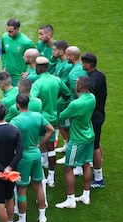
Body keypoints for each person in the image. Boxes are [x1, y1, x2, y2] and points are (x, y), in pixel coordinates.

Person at [10, 94, 54, 222]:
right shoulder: (37, 116)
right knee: (38, 185)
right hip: (36, 154)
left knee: (21, 189)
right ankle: (42, 217)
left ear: (17, 104)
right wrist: (40, 144)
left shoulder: (15, 121)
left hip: (23, 157)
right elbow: (50, 130)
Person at [55, 76, 96, 209]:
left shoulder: (76, 104)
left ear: (81, 87)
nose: (75, 85)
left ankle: (70, 200)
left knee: (68, 168)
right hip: (89, 135)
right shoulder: (92, 98)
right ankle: (86, 195)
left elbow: (62, 116)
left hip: (77, 140)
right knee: (86, 164)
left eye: (77, 83)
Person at [31, 56, 70, 187]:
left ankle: (38, 174)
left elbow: (32, 102)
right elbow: (67, 94)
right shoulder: (56, 80)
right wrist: (56, 104)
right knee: (51, 148)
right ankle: (51, 178)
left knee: (35, 145)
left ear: (39, 67)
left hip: (40, 120)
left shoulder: (37, 83)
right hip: (53, 119)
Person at [55, 46, 88, 169]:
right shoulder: (78, 68)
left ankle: (76, 162)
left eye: (67, 55)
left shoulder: (74, 73)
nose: (66, 57)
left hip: (74, 107)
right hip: (77, 106)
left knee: (73, 132)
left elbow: (77, 92)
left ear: (72, 57)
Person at [81, 52, 107, 188]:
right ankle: (98, 164)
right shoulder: (99, 75)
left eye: (83, 62)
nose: (81, 64)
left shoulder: (92, 80)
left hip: (94, 117)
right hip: (99, 114)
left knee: (95, 146)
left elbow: (89, 100)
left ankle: (98, 179)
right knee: (96, 141)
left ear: (89, 65)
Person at [51, 40, 73, 164]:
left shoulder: (67, 66)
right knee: (60, 123)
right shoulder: (59, 61)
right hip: (58, 100)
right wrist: (53, 58)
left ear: (62, 51)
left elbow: (62, 84)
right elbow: (50, 69)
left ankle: (69, 152)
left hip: (64, 101)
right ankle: (66, 144)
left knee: (67, 126)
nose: (53, 52)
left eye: (54, 50)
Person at [1, 18, 35, 86]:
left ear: (17, 29)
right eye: (7, 31)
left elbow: (36, 57)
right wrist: (4, 66)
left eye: (11, 31)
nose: (8, 33)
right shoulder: (4, 37)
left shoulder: (26, 42)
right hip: (7, 76)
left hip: (19, 78)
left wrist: (30, 72)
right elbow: (3, 52)